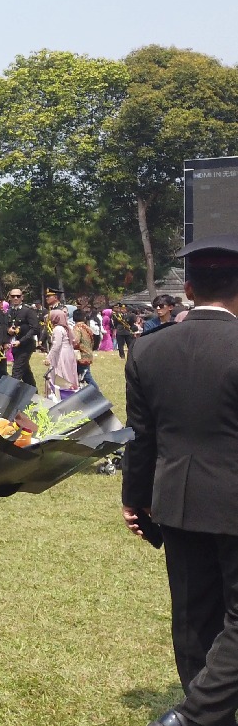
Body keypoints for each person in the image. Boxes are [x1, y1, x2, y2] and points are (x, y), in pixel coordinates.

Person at [122, 233, 238, 726]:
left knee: (194, 619)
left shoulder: (148, 350)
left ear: (187, 289)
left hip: (177, 498)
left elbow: (140, 438)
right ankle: (195, 716)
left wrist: (135, 499)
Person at [5, 288, 40, 387]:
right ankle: (34, 392)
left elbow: (35, 328)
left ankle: (9, 396)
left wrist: (21, 341)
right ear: (9, 298)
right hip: (15, 346)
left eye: (18, 296)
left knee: (17, 370)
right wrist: (8, 331)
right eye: (13, 296)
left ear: (22, 297)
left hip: (25, 345)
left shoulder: (28, 311)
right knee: (25, 373)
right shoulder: (10, 311)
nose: (15, 298)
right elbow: (6, 326)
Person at [44, 308, 79, 400]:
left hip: (61, 354)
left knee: (60, 373)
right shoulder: (66, 328)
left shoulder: (58, 329)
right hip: (68, 352)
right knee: (68, 373)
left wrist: (49, 357)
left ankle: (62, 394)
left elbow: (56, 345)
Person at [71, 308, 98, 389]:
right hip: (88, 353)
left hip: (81, 355)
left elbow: (76, 341)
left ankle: (96, 391)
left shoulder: (77, 328)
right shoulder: (87, 327)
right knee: (82, 376)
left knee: (85, 375)